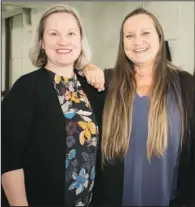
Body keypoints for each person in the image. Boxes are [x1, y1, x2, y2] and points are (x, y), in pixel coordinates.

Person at [82, 8, 195, 207]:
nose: (137, 41)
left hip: (173, 199)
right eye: (129, 35)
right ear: (122, 42)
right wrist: (84, 66)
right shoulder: (106, 83)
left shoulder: (186, 85)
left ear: (159, 38)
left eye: (145, 33)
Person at [1, 4, 105, 206]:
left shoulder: (93, 89)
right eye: (54, 33)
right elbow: (8, 156)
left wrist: (89, 67)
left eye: (71, 33)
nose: (63, 41)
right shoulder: (26, 88)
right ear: (41, 41)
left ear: (81, 40)